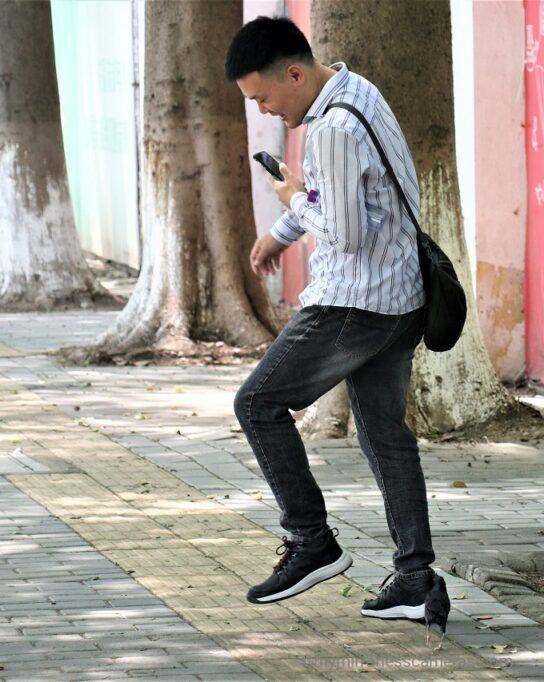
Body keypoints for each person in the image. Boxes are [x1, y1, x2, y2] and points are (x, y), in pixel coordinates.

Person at [226, 16, 441, 621]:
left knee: (257, 404)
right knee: (383, 436)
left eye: (263, 97)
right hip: (400, 299)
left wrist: (291, 202)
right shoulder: (355, 93)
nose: (266, 110)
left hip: (354, 304)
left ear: (294, 73)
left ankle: (312, 541)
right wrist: (280, 231)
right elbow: (339, 197)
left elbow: (342, 231)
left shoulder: (333, 129)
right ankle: (416, 579)